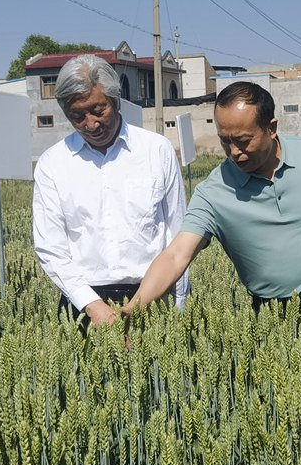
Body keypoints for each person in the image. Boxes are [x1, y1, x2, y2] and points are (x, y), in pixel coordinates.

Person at [124, 81, 301, 319]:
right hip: (272, 316)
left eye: (244, 140)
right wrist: (134, 308)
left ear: (271, 128)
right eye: (225, 140)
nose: (234, 151)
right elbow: (176, 256)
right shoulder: (213, 192)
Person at [32, 54, 189, 329]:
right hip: (83, 303)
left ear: (116, 101)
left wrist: (177, 308)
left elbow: (178, 234)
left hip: (152, 295)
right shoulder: (52, 165)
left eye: (98, 110)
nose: (90, 124)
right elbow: (50, 247)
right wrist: (92, 306)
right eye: (77, 116)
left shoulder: (156, 150)